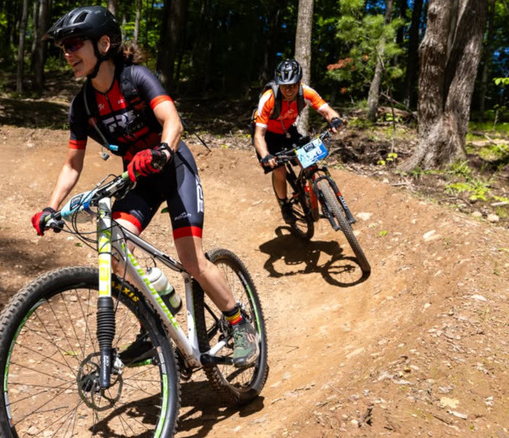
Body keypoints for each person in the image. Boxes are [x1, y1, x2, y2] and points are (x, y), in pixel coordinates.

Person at [32, 5, 259, 368]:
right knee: (113, 253)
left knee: (191, 259)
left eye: (74, 43)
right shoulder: (83, 105)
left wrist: (163, 150)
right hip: (138, 180)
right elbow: (72, 163)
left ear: (103, 43)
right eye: (63, 47)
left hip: (174, 170)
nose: (67, 53)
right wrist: (51, 207)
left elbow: (172, 120)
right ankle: (155, 317)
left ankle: (239, 322)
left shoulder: (136, 77)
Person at [252, 59, 345, 224]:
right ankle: (284, 204)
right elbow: (259, 135)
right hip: (268, 136)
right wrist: (266, 156)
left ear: (299, 82)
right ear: (279, 84)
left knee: (308, 161)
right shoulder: (268, 99)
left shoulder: (306, 92)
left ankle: (321, 196)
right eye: (284, 86)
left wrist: (335, 120)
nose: (289, 90)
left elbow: (326, 110)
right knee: (279, 170)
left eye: (293, 85)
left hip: (288, 131)